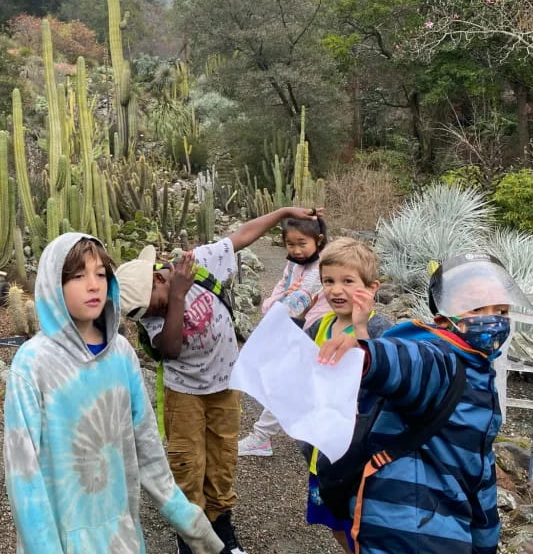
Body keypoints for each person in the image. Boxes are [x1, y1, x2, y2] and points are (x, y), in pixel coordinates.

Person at [116, 206, 322, 554]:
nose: (147, 315)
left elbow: (240, 237)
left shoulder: (194, 264)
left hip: (226, 384)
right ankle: (191, 535)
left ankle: (222, 527)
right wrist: (177, 296)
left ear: (156, 279)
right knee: (188, 462)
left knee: (223, 457)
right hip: (184, 394)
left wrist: (284, 212)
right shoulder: (152, 312)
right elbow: (170, 349)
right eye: (141, 314)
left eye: (149, 306)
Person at [3, 232, 225, 554]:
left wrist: (190, 522)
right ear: (54, 285)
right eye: (78, 276)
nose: (93, 285)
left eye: (101, 274)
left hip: (121, 534)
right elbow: (23, 472)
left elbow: (147, 445)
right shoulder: (32, 365)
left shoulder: (121, 354)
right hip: (62, 538)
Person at [318, 253, 528, 554]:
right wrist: (367, 356)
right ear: (443, 320)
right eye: (476, 307)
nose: (492, 318)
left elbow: (479, 472)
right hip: (405, 528)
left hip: (443, 528)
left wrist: (485, 543)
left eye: (502, 310)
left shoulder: (480, 376)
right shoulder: (443, 359)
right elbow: (408, 362)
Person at [301, 237, 391, 552]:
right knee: (334, 520)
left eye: (347, 281)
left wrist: (361, 329)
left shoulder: (381, 330)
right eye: (329, 281)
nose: (336, 290)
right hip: (322, 450)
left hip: (361, 451)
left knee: (361, 523)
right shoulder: (319, 327)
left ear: (372, 286)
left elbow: (381, 373)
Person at [239, 216, 331, 458]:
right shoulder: (293, 265)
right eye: (291, 244)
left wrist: (281, 303)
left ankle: (262, 436)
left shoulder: (323, 266)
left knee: (289, 383)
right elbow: (281, 292)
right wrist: (276, 303)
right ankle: (264, 436)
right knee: (292, 382)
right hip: (302, 331)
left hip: (321, 330)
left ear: (318, 240)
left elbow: (299, 299)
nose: (297, 250)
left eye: (302, 243)